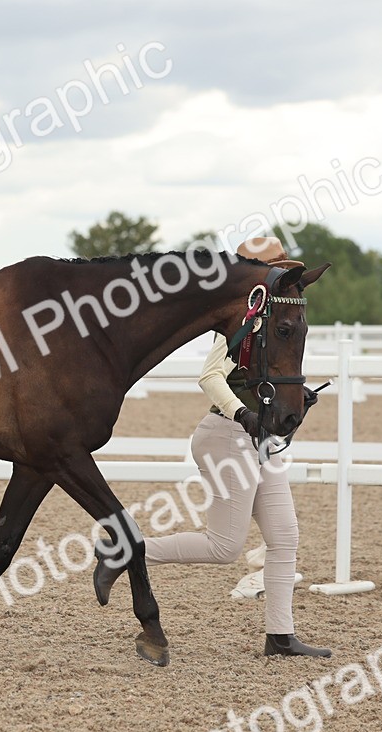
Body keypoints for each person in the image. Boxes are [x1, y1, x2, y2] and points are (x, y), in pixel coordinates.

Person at [101, 236, 331, 658]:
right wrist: (242, 414)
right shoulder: (242, 323)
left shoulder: (270, 316)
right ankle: (127, 550)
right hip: (228, 435)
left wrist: (295, 400)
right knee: (225, 547)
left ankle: (280, 635)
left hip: (257, 442)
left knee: (284, 537)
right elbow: (209, 377)